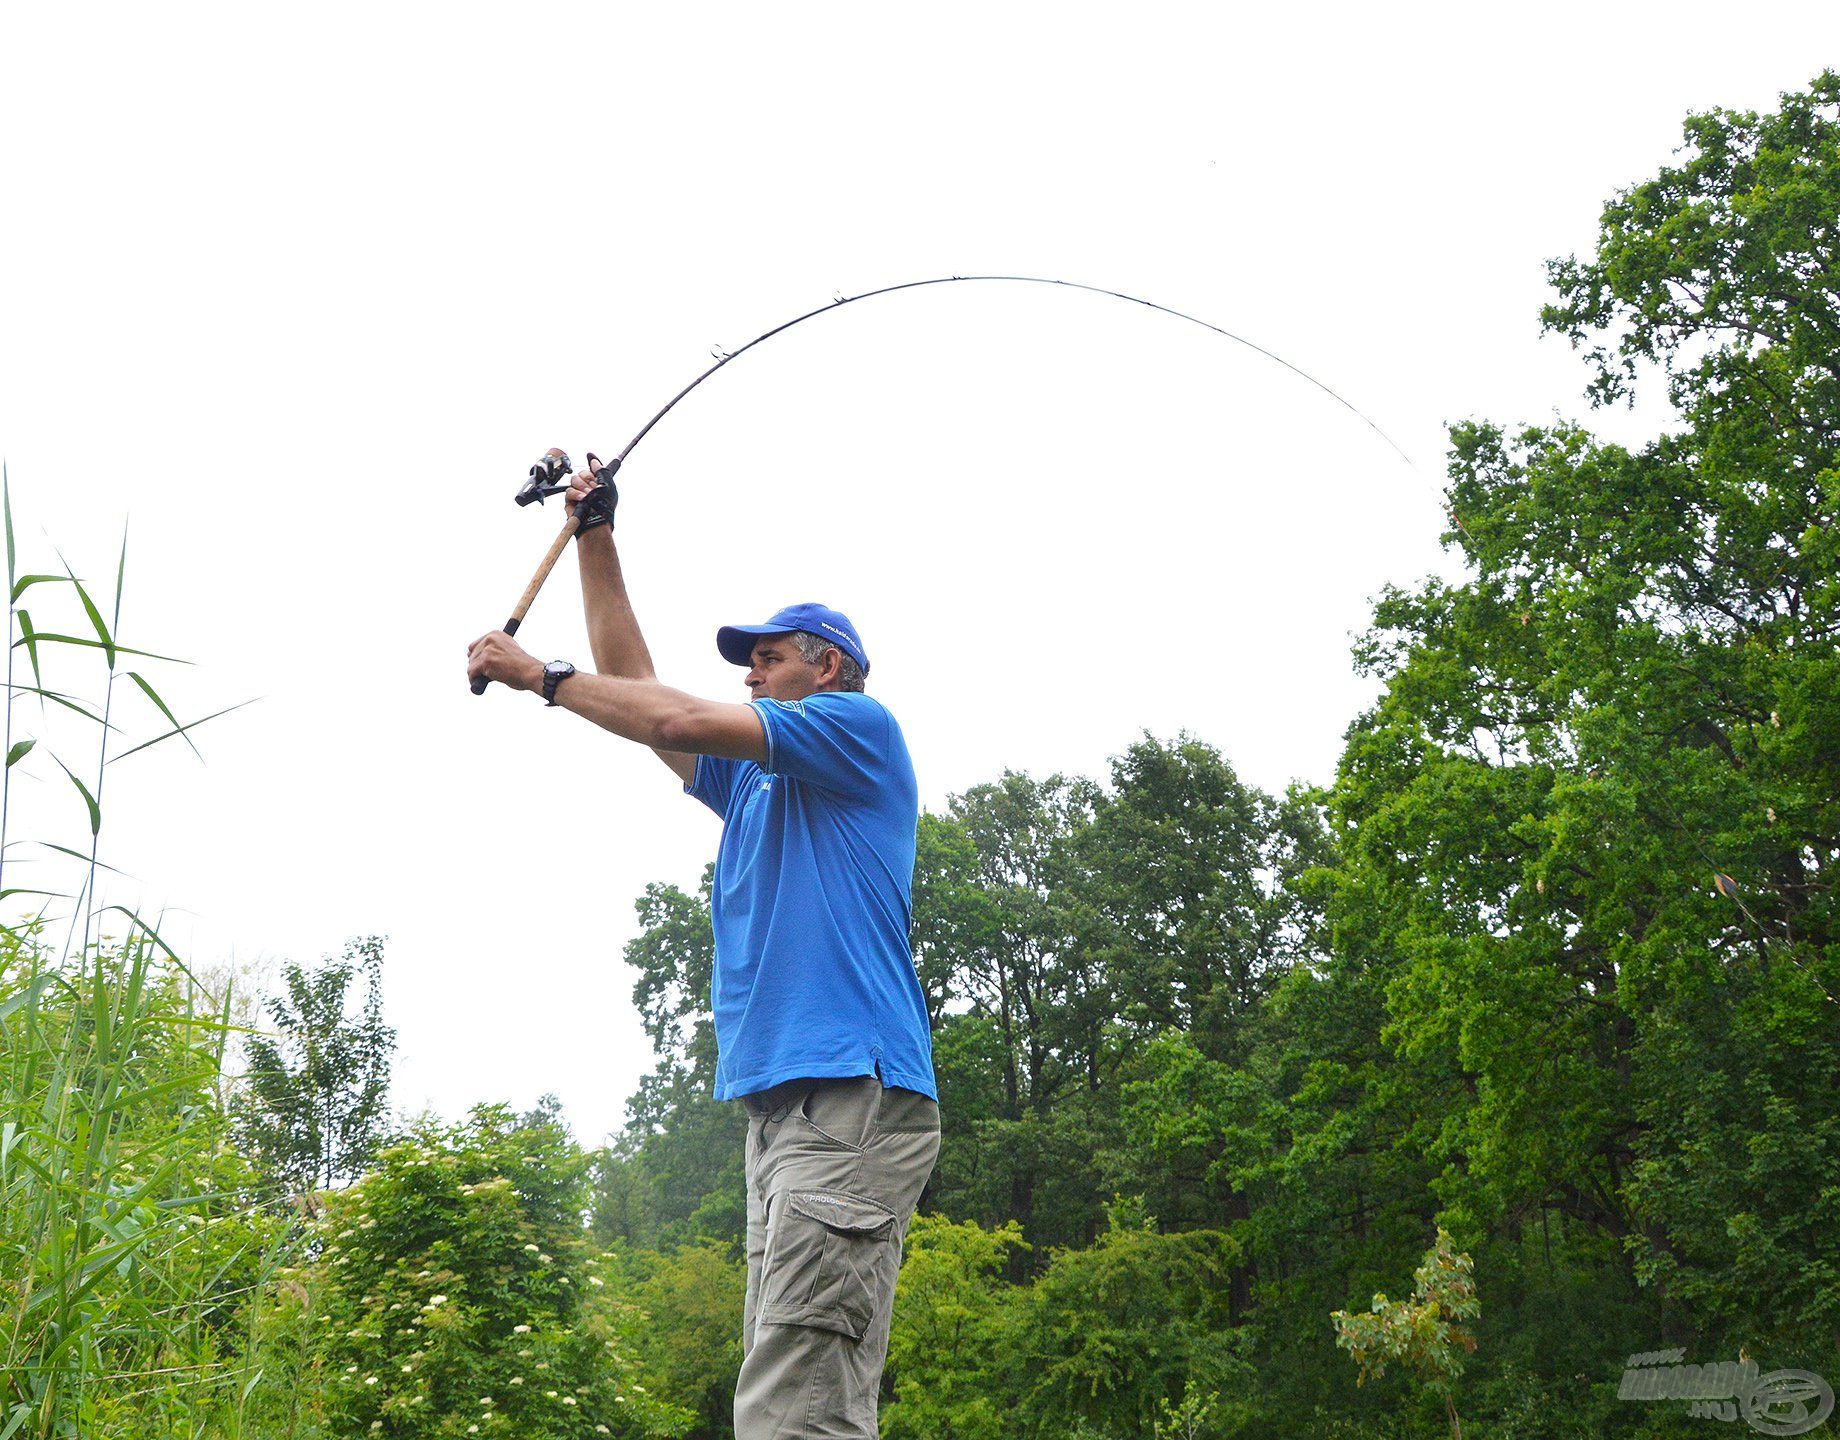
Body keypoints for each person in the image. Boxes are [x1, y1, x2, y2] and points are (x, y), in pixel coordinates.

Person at [465, 461, 939, 1439]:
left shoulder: (857, 731)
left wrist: (540, 676)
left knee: (793, 1404)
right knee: (793, 1388)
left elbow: (674, 715)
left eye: (768, 660)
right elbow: (642, 696)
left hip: (848, 1093)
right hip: (785, 1108)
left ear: (829, 668)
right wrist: (597, 538)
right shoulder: (755, 786)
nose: (750, 674)